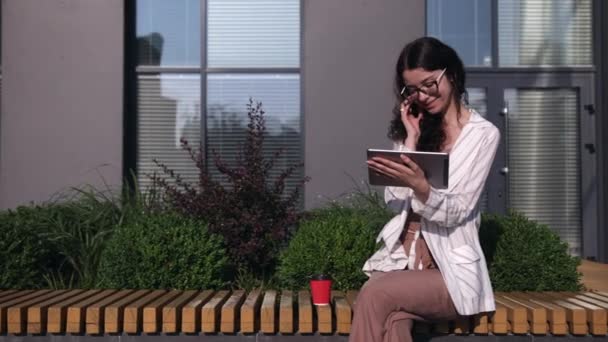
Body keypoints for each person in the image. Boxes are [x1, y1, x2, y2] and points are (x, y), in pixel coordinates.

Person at [350, 37, 499, 342]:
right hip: (404, 264)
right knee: (392, 323)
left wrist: (422, 188)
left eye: (430, 84)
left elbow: (456, 210)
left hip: (449, 274)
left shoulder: (483, 135)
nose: (424, 95)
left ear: (452, 74)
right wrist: (411, 140)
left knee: (376, 294)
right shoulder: (416, 130)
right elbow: (393, 203)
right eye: (413, 89)